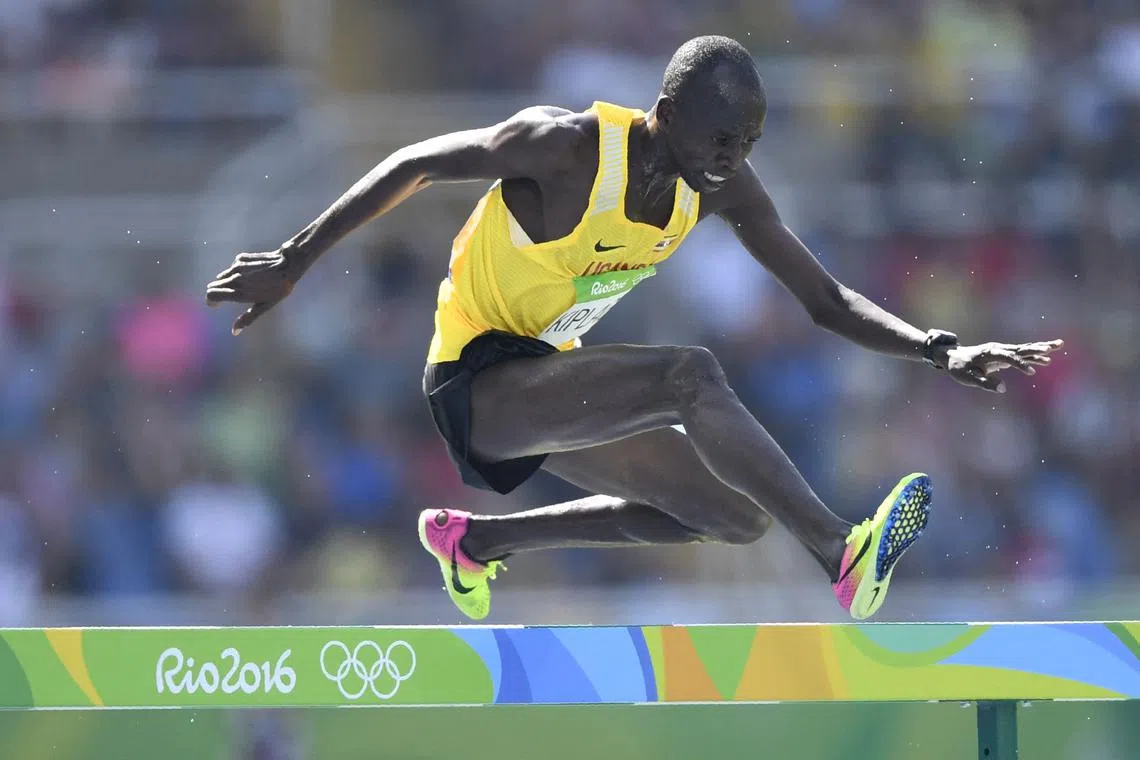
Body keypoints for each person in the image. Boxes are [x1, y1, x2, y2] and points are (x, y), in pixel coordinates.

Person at [206, 35, 1063, 622]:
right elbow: (418, 163)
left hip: (549, 382)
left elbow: (825, 301)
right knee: (686, 376)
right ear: (666, 110)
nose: (733, 157)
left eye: (750, 141)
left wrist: (937, 347)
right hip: (474, 380)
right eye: (721, 136)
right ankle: (842, 552)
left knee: (732, 516)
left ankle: (476, 543)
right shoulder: (569, 146)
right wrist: (295, 258)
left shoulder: (717, 186)